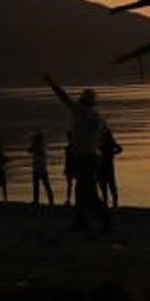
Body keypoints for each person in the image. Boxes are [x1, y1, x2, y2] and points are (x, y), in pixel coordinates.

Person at [44, 73, 111, 235]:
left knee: (87, 191)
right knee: (82, 190)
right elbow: (103, 139)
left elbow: (63, 97)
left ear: (84, 100)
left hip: (85, 157)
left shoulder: (80, 111)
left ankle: (104, 221)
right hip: (90, 156)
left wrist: (51, 82)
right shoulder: (96, 117)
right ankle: (82, 221)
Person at [97, 125, 123, 209]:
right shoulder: (104, 142)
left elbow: (120, 149)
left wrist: (112, 153)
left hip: (106, 164)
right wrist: (113, 153)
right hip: (104, 164)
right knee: (106, 183)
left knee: (108, 183)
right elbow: (119, 149)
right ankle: (109, 201)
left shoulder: (107, 142)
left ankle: (111, 201)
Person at [29, 131, 54, 205]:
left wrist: (33, 143)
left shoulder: (39, 146)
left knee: (40, 185)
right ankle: (48, 200)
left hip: (40, 168)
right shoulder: (41, 145)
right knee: (43, 184)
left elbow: (30, 150)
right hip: (40, 168)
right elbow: (31, 150)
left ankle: (39, 200)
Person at [62, 130, 75, 205]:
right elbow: (67, 159)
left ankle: (69, 200)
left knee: (71, 185)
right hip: (70, 167)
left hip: (73, 167)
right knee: (69, 185)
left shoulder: (72, 147)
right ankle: (68, 200)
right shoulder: (68, 148)